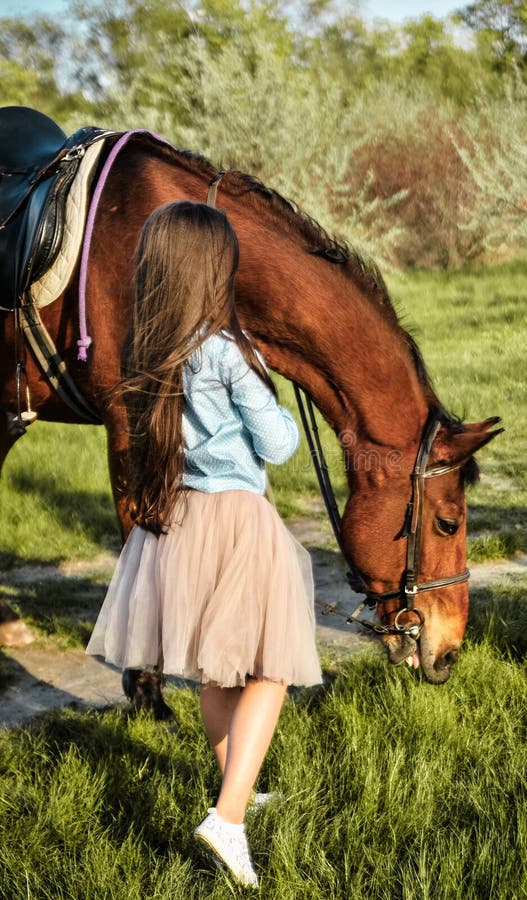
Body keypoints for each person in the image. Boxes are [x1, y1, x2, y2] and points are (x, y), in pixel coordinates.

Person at [86, 200, 322, 888]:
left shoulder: (147, 347)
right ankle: (228, 818)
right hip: (237, 521)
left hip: (180, 519)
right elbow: (277, 446)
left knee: (218, 672)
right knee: (270, 670)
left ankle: (235, 786)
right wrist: (273, 401)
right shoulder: (224, 353)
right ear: (212, 272)